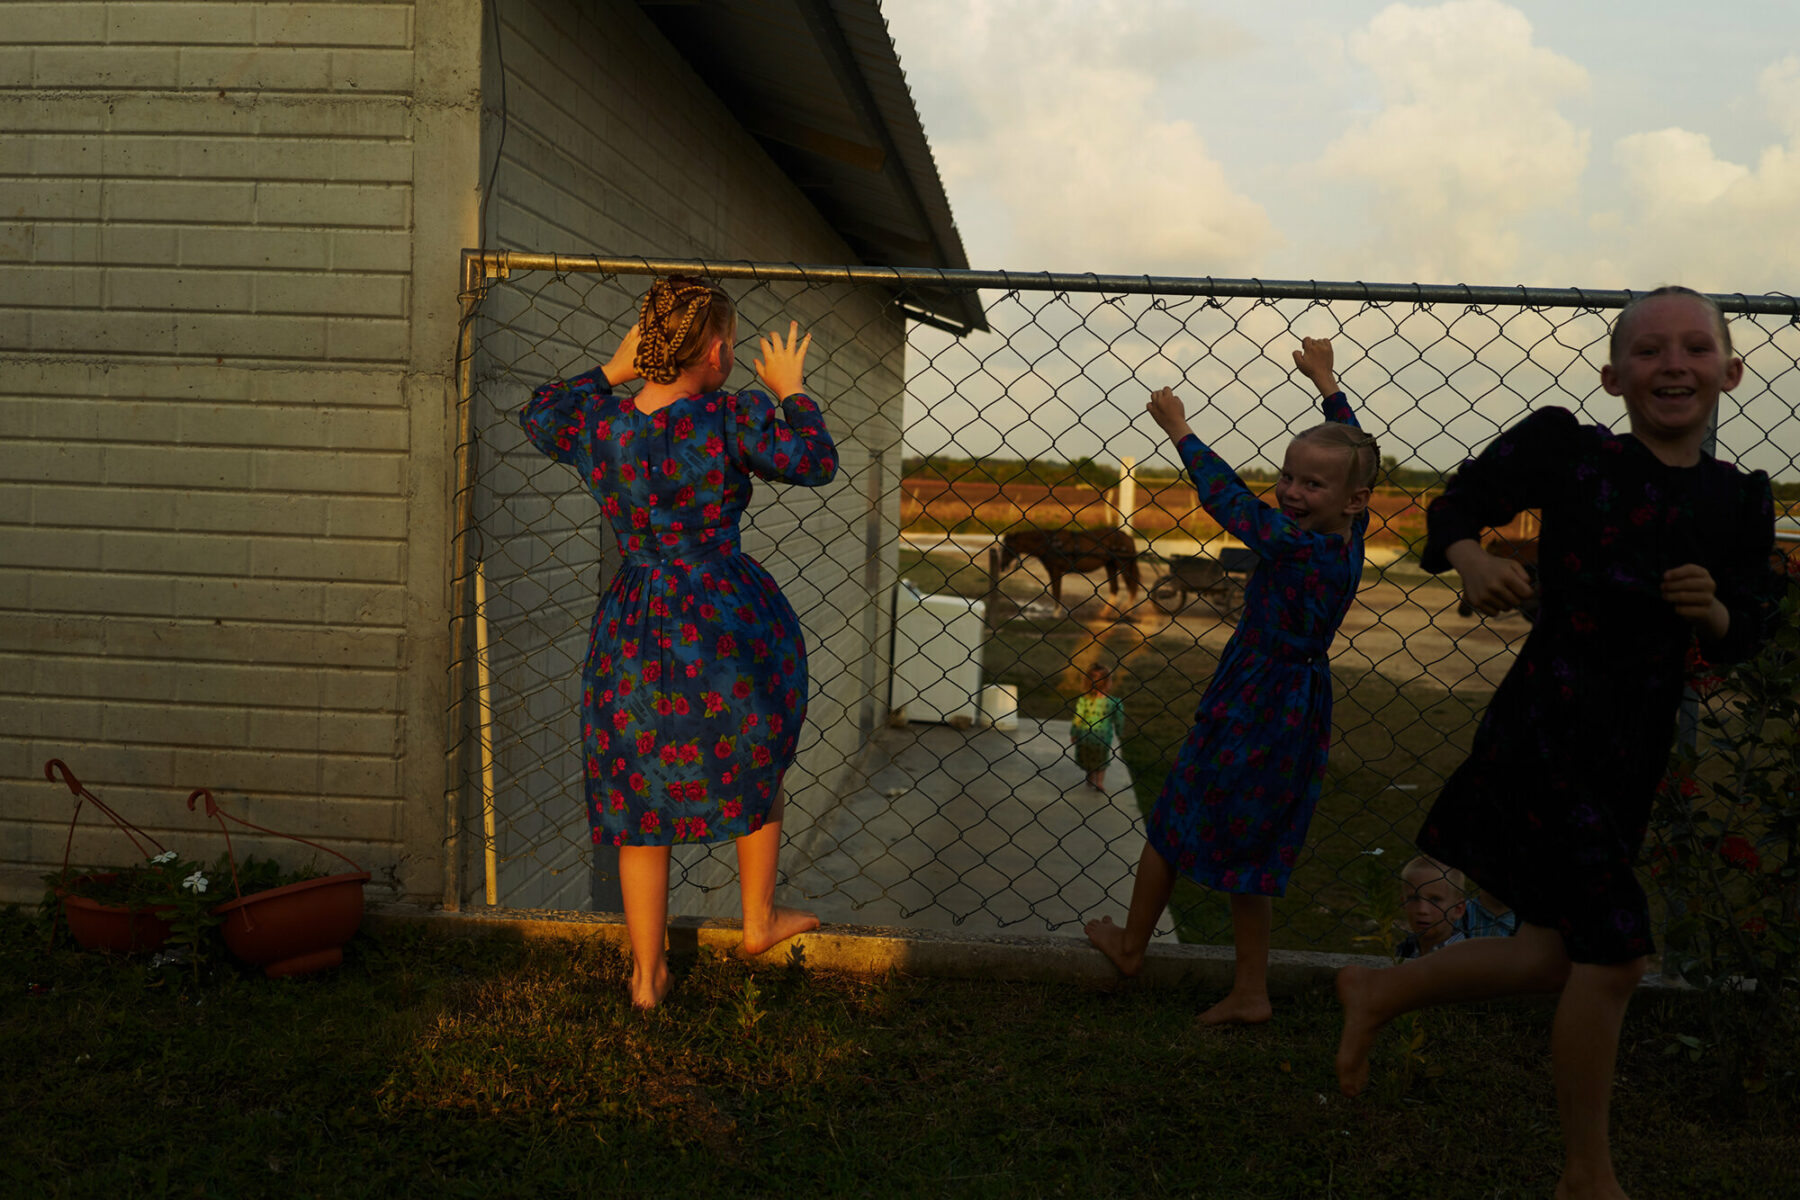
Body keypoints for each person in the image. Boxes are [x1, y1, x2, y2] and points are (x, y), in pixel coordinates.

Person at [1334, 287, 1777, 1200]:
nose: (1674, 364)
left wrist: (1716, 610)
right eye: (1650, 350)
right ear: (1615, 376)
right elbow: (1454, 511)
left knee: (1548, 954)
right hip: (1550, 726)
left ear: (1729, 373)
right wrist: (1473, 559)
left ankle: (1376, 993)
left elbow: (1751, 625)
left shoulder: (1738, 501)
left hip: (1635, 748)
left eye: (1697, 348)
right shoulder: (1571, 454)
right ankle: (1588, 1175)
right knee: (1614, 954)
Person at [520, 276, 837, 1008]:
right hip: (724, 618)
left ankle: (646, 976)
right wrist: (791, 390)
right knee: (758, 753)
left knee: (638, 794)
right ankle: (757, 919)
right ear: (720, 350)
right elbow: (814, 461)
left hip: (635, 624)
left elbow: (542, 413)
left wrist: (614, 368)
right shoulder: (732, 419)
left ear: (650, 345)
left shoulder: (599, 427)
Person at [1086, 337, 1376, 1024]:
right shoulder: (1349, 534)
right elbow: (1355, 447)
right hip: (1292, 698)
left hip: (1259, 697)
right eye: (1289, 477)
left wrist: (1180, 432)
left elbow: (1232, 505)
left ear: (1353, 498)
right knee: (1254, 841)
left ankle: (1133, 947)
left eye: (1313, 485)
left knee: (1172, 819)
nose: (1294, 493)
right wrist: (1328, 385)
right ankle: (1250, 990)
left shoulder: (1298, 545)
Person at [1394, 855, 1467, 960]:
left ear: (1457, 909)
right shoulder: (1405, 950)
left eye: (1435, 900)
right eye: (1413, 898)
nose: (1422, 910)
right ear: (1403, 903)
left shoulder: (1467, 956)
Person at [1070, 665, 1125, 791]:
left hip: (1085, 737)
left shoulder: (1084, 700)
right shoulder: (1114, 702)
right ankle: (1099, 782)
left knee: (1088, 757)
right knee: (1102, 760)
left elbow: (1077, 718)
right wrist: (1119, 731)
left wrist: (1074, 734)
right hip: (1103, 738)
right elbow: (1119, 719)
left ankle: (1090, 777)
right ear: (1108, 683)